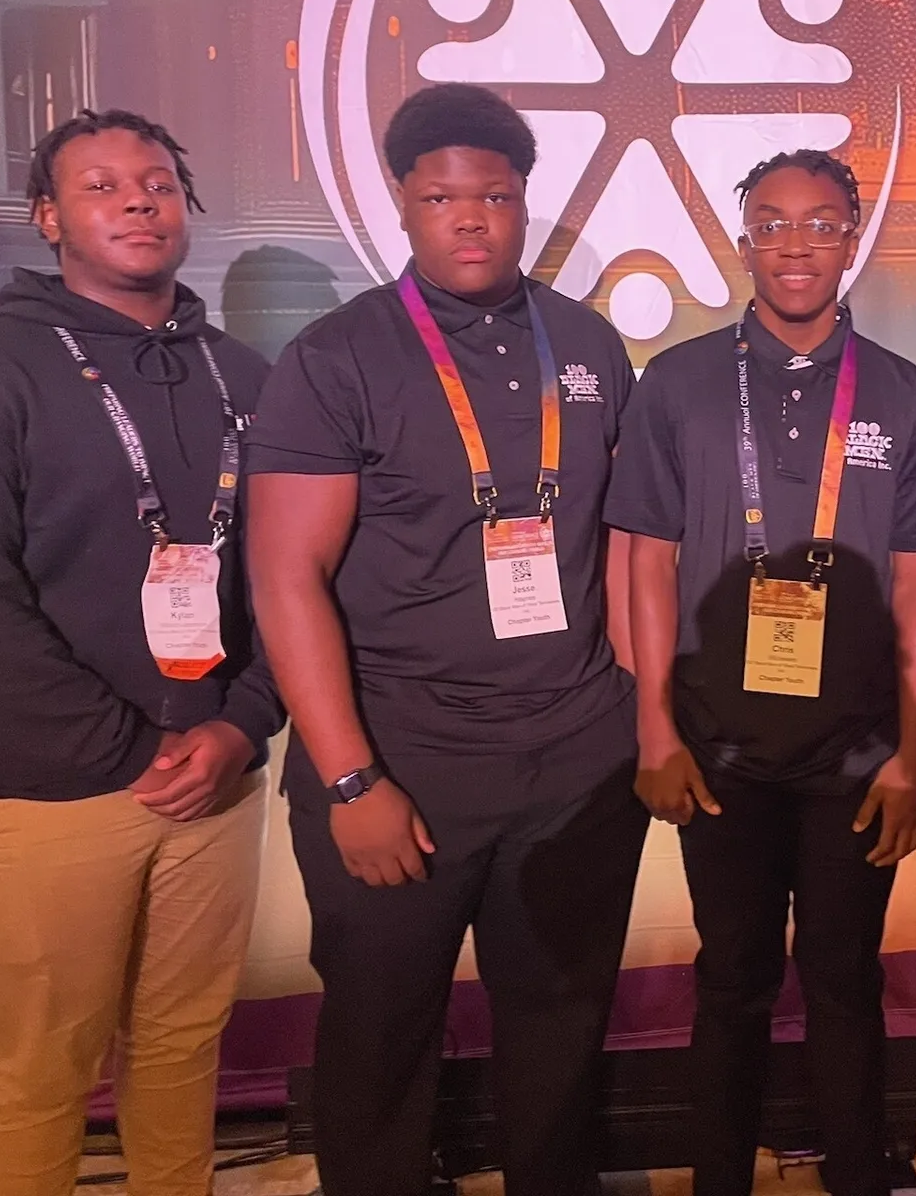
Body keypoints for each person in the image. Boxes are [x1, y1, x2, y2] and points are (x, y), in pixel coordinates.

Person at [244, 83, 649, 1196]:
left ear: (526, 206)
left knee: (561, 1034)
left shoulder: (589, 346)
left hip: (575, 765)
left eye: (495, 197)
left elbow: (625, 546)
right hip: (402, 763)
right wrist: (349, 775)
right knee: (380, 1039)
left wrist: (638, 727)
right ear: (404, 207)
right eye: (441, 198)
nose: (470, 218)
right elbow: (285, 578)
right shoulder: (338, 358)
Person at [0, 109, 280, 1196]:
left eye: (157, 181)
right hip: (40, 793)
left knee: (179, 1054)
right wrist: (132, 750)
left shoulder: (243, 377)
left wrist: (239, 728)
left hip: (213, 780)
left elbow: (297, 583)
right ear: (48, 219)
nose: (138, 201)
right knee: (39, 1072)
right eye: (102, 186)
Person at [608, 151, 916, 1196]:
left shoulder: (906, 396)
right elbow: (644, 564)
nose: (796, 244)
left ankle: (857, 1176)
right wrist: (655, 730)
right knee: (732, 978)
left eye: (823, 223)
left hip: (858, 752)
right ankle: (719, 1178)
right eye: (772, 223)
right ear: (742, 240)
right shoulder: (679, 383)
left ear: (852, 240)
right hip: (719, 751)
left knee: (846, 982)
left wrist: (914, 756)